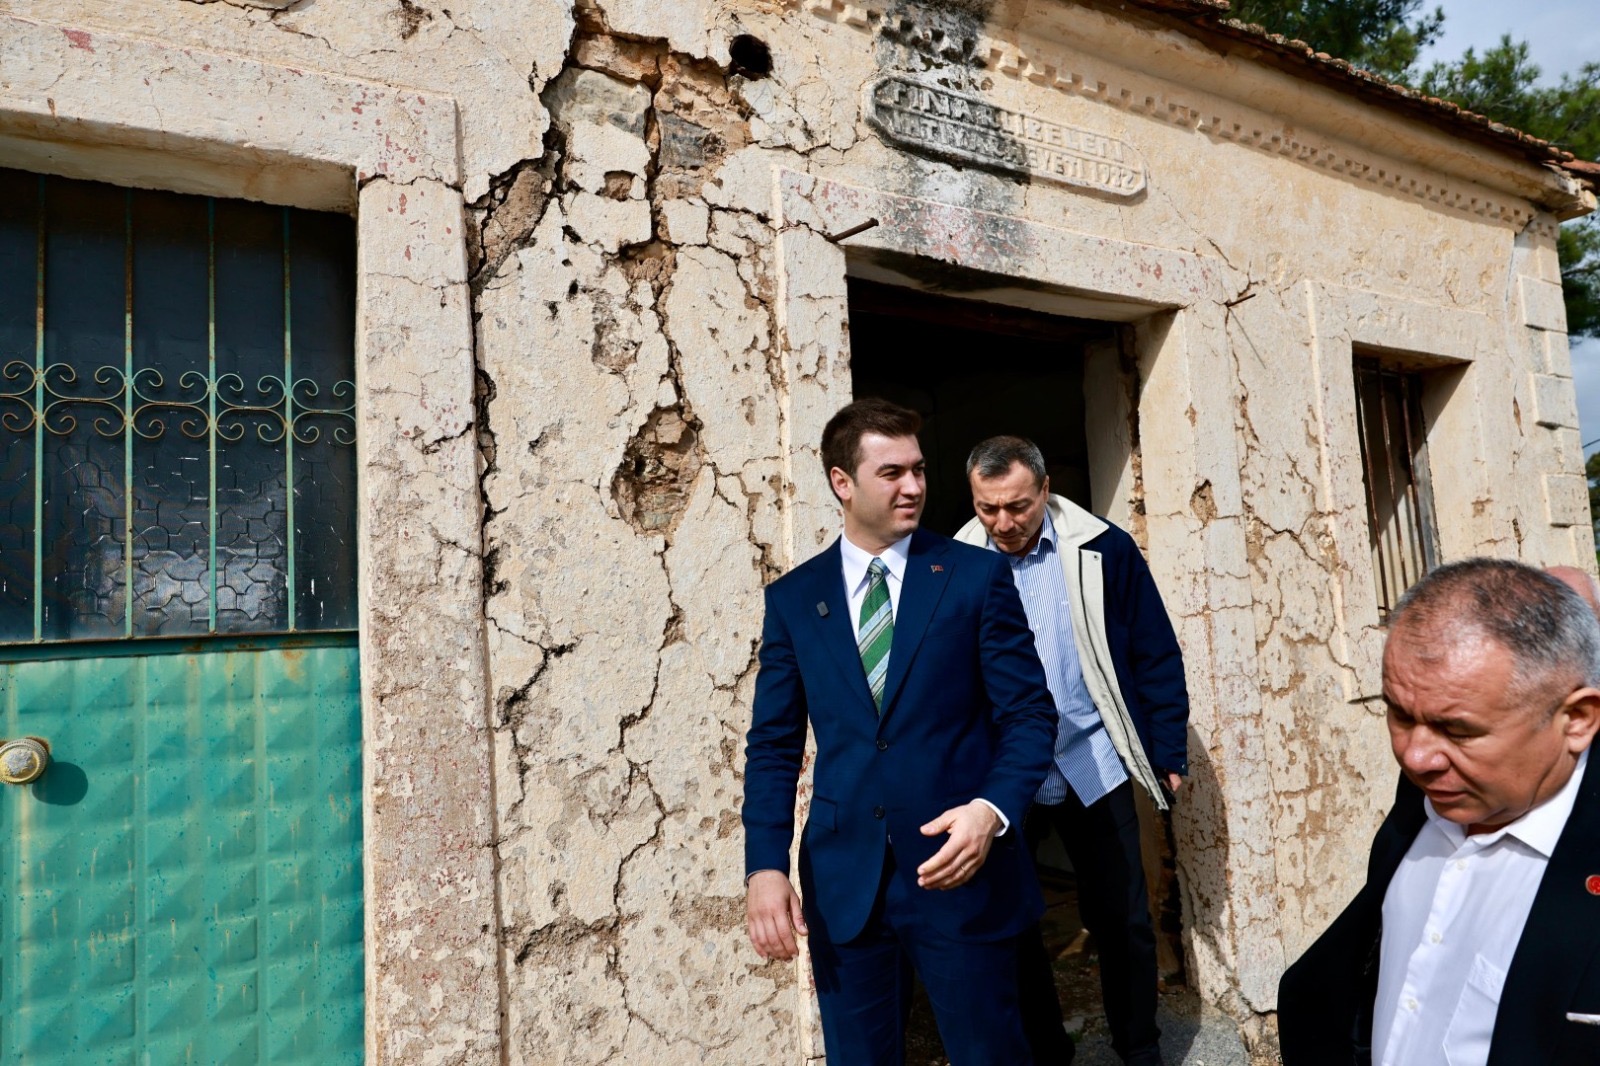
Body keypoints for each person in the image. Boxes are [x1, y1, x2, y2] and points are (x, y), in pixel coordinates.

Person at [741, 399, 1059, 1065]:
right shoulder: (794, 600)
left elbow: (1029, 715)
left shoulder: (975, 576)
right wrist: (765, 867)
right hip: (844, 881)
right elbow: (773, 746)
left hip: (961, 870)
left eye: (917, 469)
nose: (913, 486)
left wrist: (991, 811)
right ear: (842, 482)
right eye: (891, 473)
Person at [1279, 558, 1600, 1066]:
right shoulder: (1431, 794)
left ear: (1577, 720)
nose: (1415, 758)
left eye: (1458, 730)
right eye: (1400, 714)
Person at [955, 435, 1190, 1066]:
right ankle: (1047, 1051)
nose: (1003, 522)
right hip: (1008, 773)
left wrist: (1168, 748)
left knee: (1122, 917)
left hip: (1092, 757)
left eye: (1018, 506)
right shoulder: (952, 563)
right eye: (987, 508)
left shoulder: (1104, 548)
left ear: (1045, 489)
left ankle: (1139, 1048)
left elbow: (1154, 651)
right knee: (1014, 922)